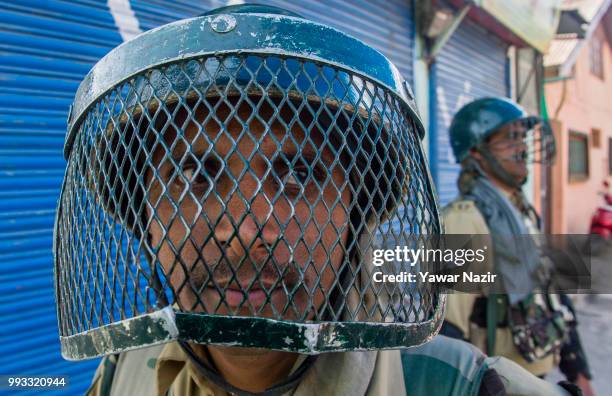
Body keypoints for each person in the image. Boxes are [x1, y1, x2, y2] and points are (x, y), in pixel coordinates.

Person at [53, 5, 581, 396]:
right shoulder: (121, 375)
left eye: (298, 174)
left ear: (357, 213)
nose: (244, 226)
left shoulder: (469, 385)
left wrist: (569, 355)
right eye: (193, 176)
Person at [441, 97, 594, 395]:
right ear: (476, 151)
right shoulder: (462, 223)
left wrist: (579, 371)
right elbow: (447, 335)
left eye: (522, 137)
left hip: (539, 373)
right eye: (510, 139)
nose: (522, 147)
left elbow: (551, 290)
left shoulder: (522, 213)